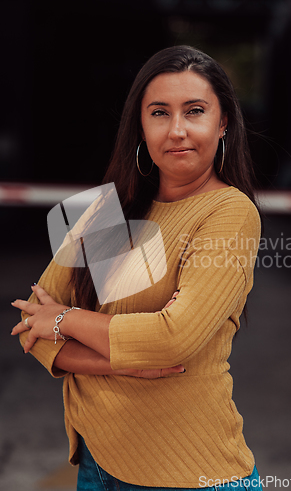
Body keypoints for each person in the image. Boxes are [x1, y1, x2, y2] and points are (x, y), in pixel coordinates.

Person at [11, 45, 262, 491]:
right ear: (140, 126)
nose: (178, 130)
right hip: (97, 466)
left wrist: (67, 320)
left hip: (189, 473)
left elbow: (173, 338)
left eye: (196, 111)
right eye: (160, 112)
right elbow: (33, 320)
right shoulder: (111, 209)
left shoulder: (228, 212)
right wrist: (120, 364)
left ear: (223, 123)